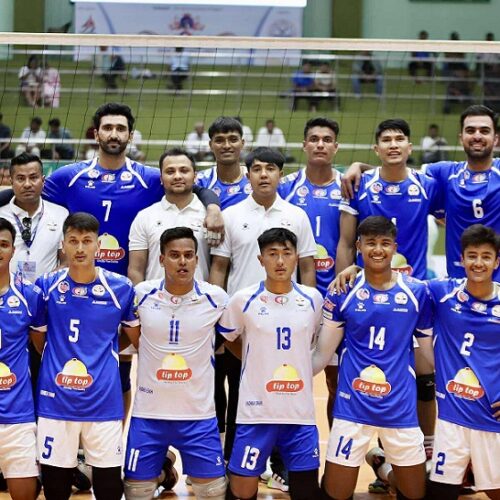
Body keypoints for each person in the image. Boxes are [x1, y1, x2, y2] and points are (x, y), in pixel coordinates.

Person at [313, 216, 433, 500]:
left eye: (385, 243)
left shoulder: (417, 292)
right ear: (359, 246)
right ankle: (382, 467)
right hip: (353, 405)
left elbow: (429, 355)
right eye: (370, 243)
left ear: (395, 247)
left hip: (399, 406)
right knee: (336, 494)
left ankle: (382, 468)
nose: (378, 250)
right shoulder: (343, 291)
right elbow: (321, 355)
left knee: (416, 494)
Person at [31, 212, 141, 500]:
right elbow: (39, 339)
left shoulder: (120, 288)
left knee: (108, 487)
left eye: (87, 241)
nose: (80, 248)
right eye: (73, 241)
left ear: (98, 246)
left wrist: (104, 350)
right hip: (55, 400)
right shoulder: (45, 286)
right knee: (55, 487)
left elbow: (135, 338)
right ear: (63, 245)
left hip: (103, 401)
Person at [218, 227, 324, 500]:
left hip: (299, 415)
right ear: (260, 259)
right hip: (255, 414)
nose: (280, 261)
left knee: (306, 491)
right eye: (272, 254)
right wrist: (255, 358)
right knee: (241, 493)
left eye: (286, 253)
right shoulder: (243, 300)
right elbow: (228, 338)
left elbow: (315, 342)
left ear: (296, 257)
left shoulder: (312, 299)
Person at [123, 227, 228, 500]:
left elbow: (233, 338)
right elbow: (126, 338)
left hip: (197, 416)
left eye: (188, 255)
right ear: (161, 259)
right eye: (174, 255)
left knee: (213, 493)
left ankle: (164, 469)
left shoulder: (216, 299)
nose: (182, 261)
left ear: (196, 260)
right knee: (136, 493)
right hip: (149, 415)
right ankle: (163, 471)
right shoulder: (140, 295)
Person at [341, 105, 500, 282]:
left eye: (484, 131)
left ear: (496, 139)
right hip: (458, 283)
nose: (477, 136)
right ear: (461, 137)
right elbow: (398, 172)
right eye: (470, 130)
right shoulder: (444, 172)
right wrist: (359, 166)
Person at [425, 224, 500, 500]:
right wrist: (357, 270)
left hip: (491, 416)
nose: (478, 263)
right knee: (440, 493)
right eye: (472, 256)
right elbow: (397, 284)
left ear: (496, 262)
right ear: (462, 259)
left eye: (486, 256)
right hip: (452, 417)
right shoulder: (443, 292)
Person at [279, 117, 343, 426]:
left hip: (337, 299)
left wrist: (360, 167)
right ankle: (285, 451)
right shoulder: (286, 187)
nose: (320, 144)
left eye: (327, 140)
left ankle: (336, 449)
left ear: (336, 147)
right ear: (304, 145)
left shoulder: (349, 186)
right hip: (292, 299)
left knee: (336, 382)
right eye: (314, 139)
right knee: (285, 377)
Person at [210, 146, 317, 296]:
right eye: (257, 169)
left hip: (286, 305)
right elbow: (219, 268)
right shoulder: (229, 216)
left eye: (270, 169)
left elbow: (307, 268)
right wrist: (216, 305)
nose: (264, 175)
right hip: (241, 306)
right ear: (248, 176)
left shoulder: (298, 216)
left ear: (280, 175)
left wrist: (309, 304)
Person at [0, 217, 42, 500]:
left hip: (17, 415)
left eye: (3, 244)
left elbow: (42, 349)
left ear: (13, 250)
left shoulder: (29, 295)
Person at [128, 149, 209, 284]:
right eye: (170, 172)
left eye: (184, 170)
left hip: (199, 297)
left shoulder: (211, 216)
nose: (177, 176)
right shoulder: (145, 216)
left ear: (195, 176)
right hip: (155, 297)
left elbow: (219, 267)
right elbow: (136, 270)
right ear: (161, 178)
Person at [0, 152, 67, 283]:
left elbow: (66, 262)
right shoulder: (1, 214)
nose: (27, 184)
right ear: (11, 182)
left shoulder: (61, 214)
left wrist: (43, 286)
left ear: (43, 180)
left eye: (33, 177)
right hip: (6, 293)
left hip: (46, 292)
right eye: (20, 178)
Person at [196, 116, 249, 210]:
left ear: (242, 143)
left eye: (233, 139)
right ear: (210, 145)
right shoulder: (200, 181)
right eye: (219, 140)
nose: (227, 146)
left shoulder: (256, 180)